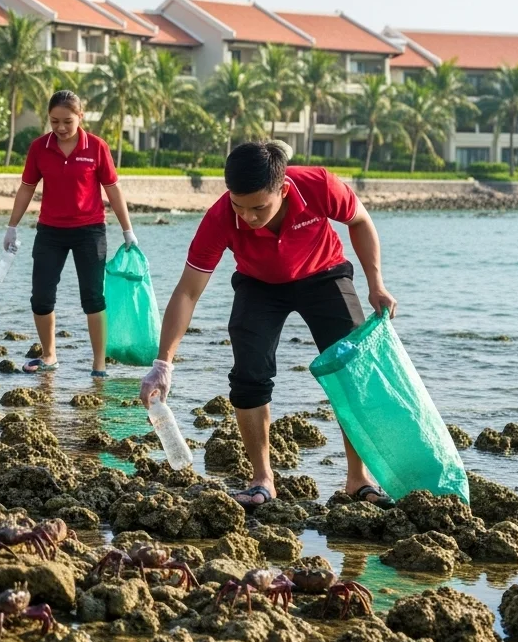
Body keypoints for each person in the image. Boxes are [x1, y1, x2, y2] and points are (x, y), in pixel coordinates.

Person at [139, 140, 398, 510]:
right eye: (238, 206)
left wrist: (376, 284)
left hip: (324, 274)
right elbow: (187, 292)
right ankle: (262, 479)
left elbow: (359, 220)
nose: (247, 217)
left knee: (351, 375)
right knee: (249, 376)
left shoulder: (318, 185)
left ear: (284, 189)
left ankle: (358, 479)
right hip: (259, 285)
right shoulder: (219, 218)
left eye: (258, 207)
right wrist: (163, 363)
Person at [3, 91, 136, 377]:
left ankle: (99, 364)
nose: (61, 128)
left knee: (93, 297)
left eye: (67, 121)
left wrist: (128, 230)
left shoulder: (97, 147)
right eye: (54, 121)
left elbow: (113, 189)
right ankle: (49, 355)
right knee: (40, 297)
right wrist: (12, 226)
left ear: (81, 116)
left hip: (90, 231)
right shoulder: (39, 148)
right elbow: (27, 187)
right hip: (50, 231)